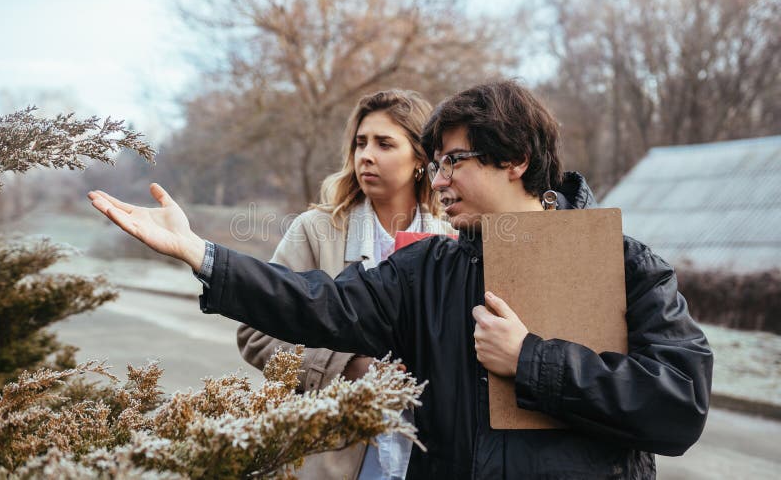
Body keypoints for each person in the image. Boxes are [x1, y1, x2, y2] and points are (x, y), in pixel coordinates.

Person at [88, 80, 713, 479]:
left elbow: (678, 408)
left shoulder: (624, 264)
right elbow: (315, 303)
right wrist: (201, 254)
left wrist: (531, 360)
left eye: (455, 162)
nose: (438, 181)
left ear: (516, 159)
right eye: (435, 163)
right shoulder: (430, 270)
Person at [235, 89, 455, 480]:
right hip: (331, 456)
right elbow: (256, 333)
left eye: (385, 143)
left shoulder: (450, 239)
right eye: (360, 142)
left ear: (421, 159)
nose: (366, 155)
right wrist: (351, 367)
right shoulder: (316, 231)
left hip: (426, 453)